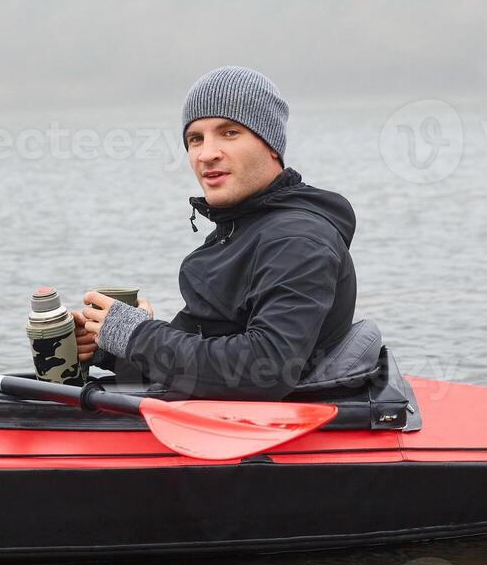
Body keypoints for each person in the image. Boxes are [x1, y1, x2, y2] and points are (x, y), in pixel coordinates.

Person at [73, 66, 358, 400]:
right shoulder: (239, 230)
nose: (206, 154)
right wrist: (109, 345)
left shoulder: (297, 240)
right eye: (196, 139)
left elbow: (266, 368)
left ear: (271, 146)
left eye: (230, 133)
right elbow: (204, 359)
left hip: (273, 437)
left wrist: (138, 336)